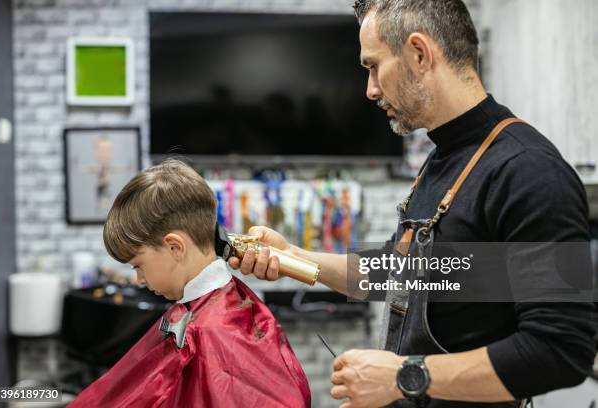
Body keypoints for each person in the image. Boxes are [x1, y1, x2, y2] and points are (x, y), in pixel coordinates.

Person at [229, 0, 597, 407]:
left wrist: (404, 375)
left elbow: (560, 350)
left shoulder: (527, 170)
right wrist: (293, 259)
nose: (369, 89)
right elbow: (400, 273)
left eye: (373, 66)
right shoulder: (443, 159)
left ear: (419, 54)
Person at [69, 159, 310, 408]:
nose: (139, 280)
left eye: (138, 265)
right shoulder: (207, 311)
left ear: (175, 247)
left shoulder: (216, 330)